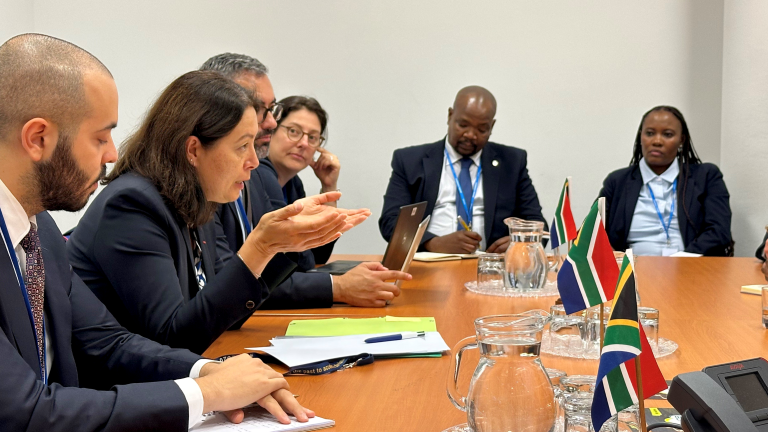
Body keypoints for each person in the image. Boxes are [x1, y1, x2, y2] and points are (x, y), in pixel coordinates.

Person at [0, 33, 313, 431]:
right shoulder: (129, 202)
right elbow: (24, 413)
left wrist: (209, 371)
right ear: (38, 139)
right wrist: (207, 394)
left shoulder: (38, 227)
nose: (112, 153)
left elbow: (108, 340)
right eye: (100, 137)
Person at [66, 70, 370, 355]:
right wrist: (261, 246)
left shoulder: (198, 198)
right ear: (194, 150)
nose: (253, 161)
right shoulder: (133, 205)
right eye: (242, 146)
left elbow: (226, 310)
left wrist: (279, 244)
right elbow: (173, 338)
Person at [379, 85, 547, 254]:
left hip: (491, 267)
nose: (470, 135)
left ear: (492, 126)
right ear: (450, 116)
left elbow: (538, 225)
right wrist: (432, 243)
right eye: (463, 124)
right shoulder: (410, 161)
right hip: (430, 262)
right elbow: (391, 221)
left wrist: (520, 242)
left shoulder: (512, 162)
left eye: (481, 129)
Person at [599, 106, 732, 256]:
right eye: (649, 133)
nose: (657, 141)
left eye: (667, 134)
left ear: (681, 140)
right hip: (632, 271)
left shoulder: (706, 177)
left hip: (692, 268)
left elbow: (719, 231)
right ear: (640, 136)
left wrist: (682, 260)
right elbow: (593, 235)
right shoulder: (617, 182)